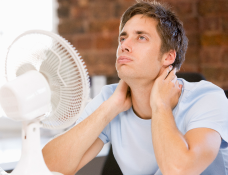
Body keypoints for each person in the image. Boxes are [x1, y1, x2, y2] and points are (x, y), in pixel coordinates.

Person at [42, 1, 228, 174]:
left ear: (168, 57)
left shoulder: (207, 98)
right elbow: (47, 167)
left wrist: (160, 106)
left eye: (141, 37)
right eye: (123, 38)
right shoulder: (110, 98)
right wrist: (110, 107)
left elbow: (178, 170)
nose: (124, 46)